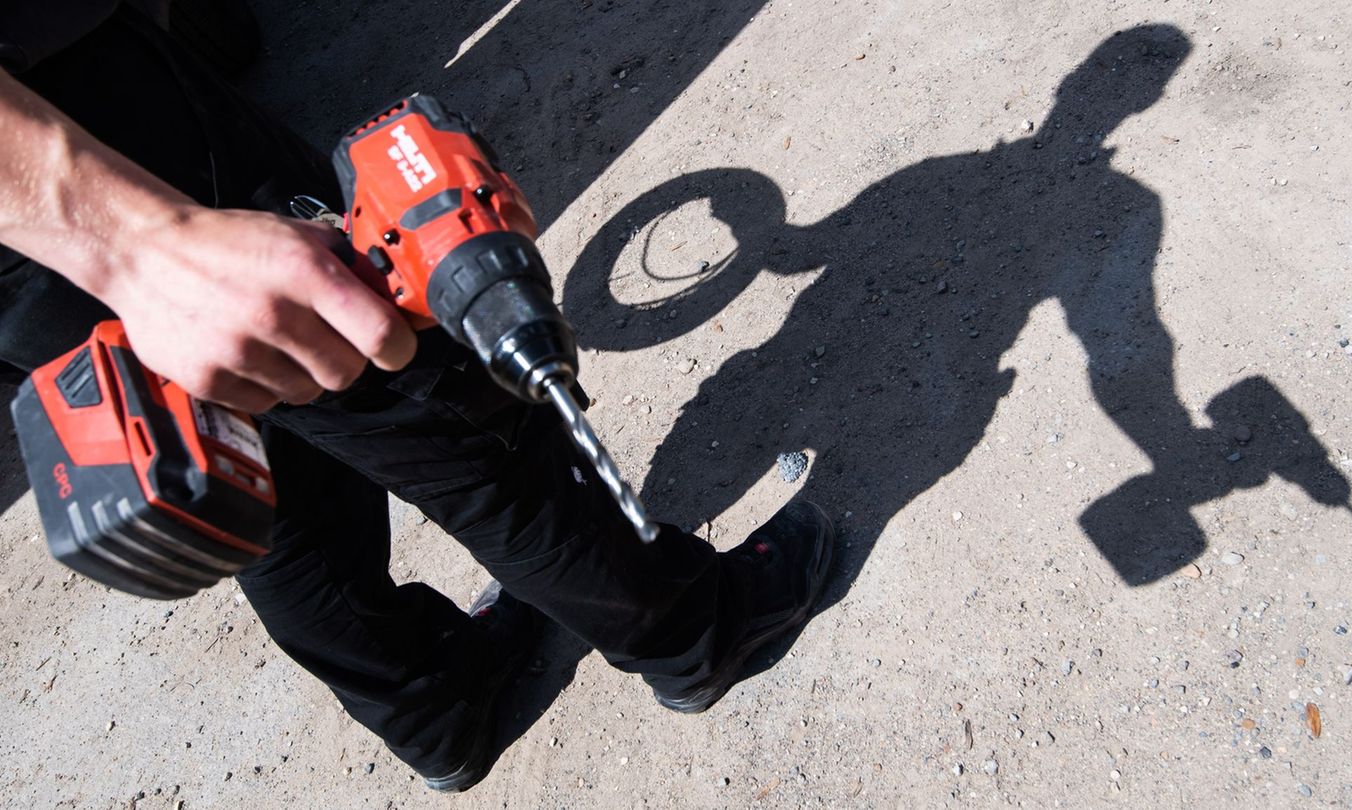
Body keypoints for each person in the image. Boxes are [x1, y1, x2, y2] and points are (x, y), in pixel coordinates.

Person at [0, 3, 834, 792]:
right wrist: (130, 240)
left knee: (254, 458)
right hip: (74, 133)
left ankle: (437, 711)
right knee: (448, 412)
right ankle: (694, 632)